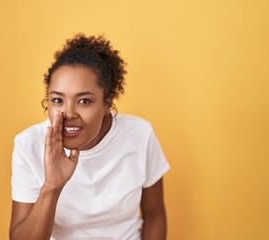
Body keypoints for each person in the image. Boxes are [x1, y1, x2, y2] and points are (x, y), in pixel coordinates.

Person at [9, 33, 170, 240]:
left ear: (107, 102)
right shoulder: (28, 145)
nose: (68, 113)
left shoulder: (139, 135)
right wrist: (51, 188)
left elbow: (154, 215)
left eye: (84, 101)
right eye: (57, 100)